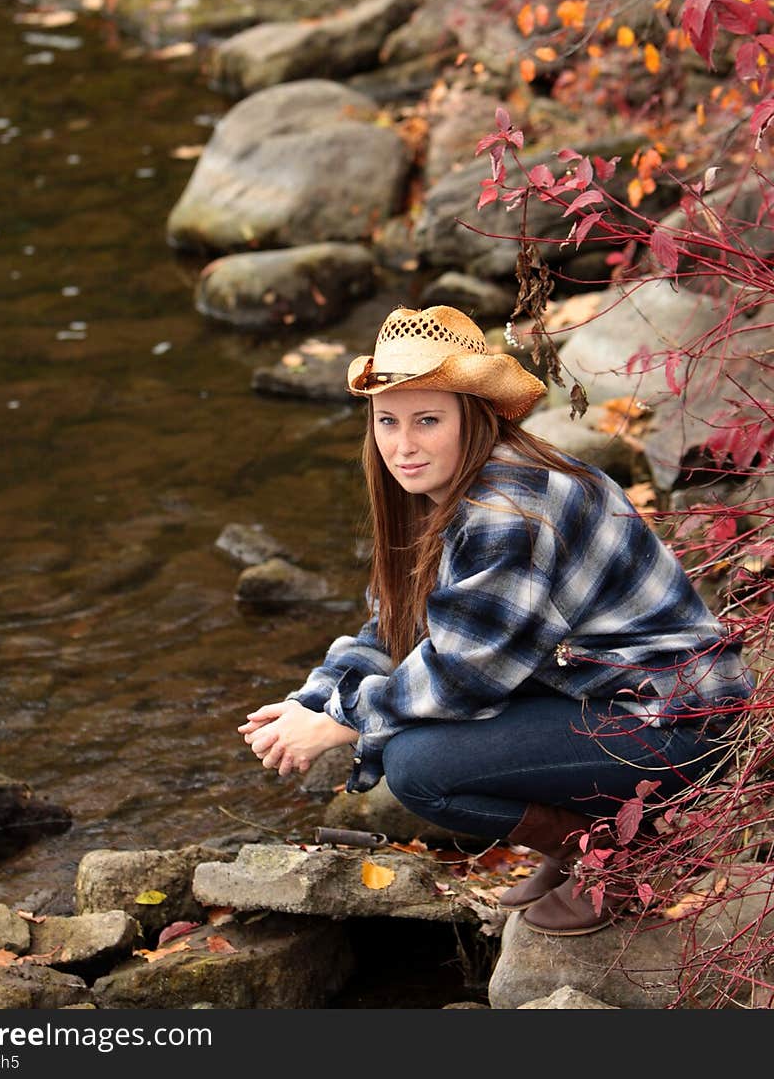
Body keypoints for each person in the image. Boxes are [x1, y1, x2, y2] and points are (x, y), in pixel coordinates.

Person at [238, 305, 754, 935]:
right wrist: (311, 701)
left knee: (418, 767)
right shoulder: (437, 495)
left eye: (428, 420)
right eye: (388, 422)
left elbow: (463, 672)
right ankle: (576, 845)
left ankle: (625, 855)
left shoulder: (510, 503)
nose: (403, 445)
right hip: (595, 694)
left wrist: (339, 721)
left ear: (471, 416)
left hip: (678, 722)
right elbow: (392, 631)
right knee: (412, 737)